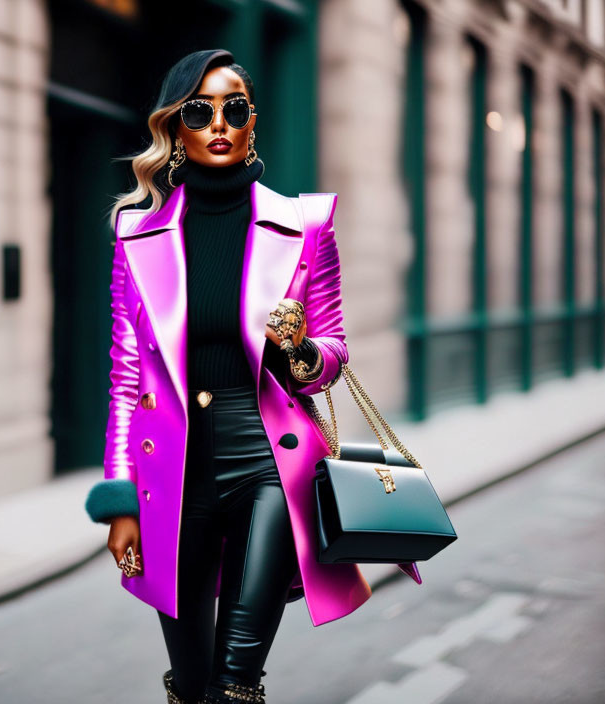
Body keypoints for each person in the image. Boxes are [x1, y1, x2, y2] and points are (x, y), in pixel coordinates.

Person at [84, 49, 417, 704]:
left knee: (237, 678)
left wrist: (300, 350)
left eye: (232, 108)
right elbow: (127, 376)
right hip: (171, 472)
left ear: (251, 121)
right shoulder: (137, 235)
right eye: (198, 110)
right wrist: (119, 500)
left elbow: (334, 353)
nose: (218, 123)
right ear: (176, 127)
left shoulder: (304, 226)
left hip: (269, 461)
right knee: (191, 678)